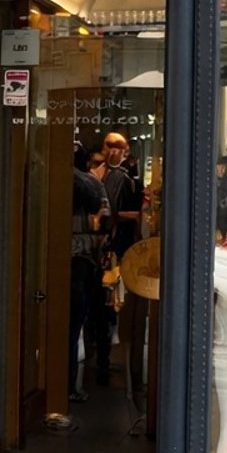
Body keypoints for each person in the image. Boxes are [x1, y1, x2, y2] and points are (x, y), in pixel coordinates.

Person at [56, 141, 110, 428]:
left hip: (51, 258)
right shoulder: (91, 182)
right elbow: (106, 220)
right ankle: (70, 386)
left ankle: (55, 385)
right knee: (75, 324)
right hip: (83, 260)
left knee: (56, 325)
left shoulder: (49, 175)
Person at [87, 131, 141, 383]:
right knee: (100, 305)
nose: (113, 151)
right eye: (110, 146)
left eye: (118, 147)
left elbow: (126, 214)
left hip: (112, 248)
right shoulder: (95, 175)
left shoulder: (124, 179)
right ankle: (99, 358)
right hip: (99, 247)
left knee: (107, 306)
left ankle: (103, 359)